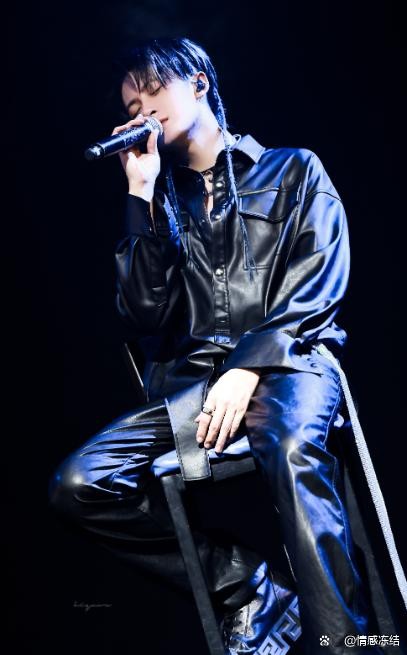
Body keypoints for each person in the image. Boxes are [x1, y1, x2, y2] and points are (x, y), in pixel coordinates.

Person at [48, 37, 404, 654]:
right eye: (131, 106)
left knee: (290, 447)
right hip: (196, 388)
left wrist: (248, 366)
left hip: (290, 363)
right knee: (79, 482)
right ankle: (250, 590)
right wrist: (140, 194)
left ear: (199, 83)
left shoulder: (293, 169)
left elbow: (319, 278)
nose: (142, 112)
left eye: (153, 91)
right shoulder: (158, 203)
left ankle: (345, 644)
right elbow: (142, 314)